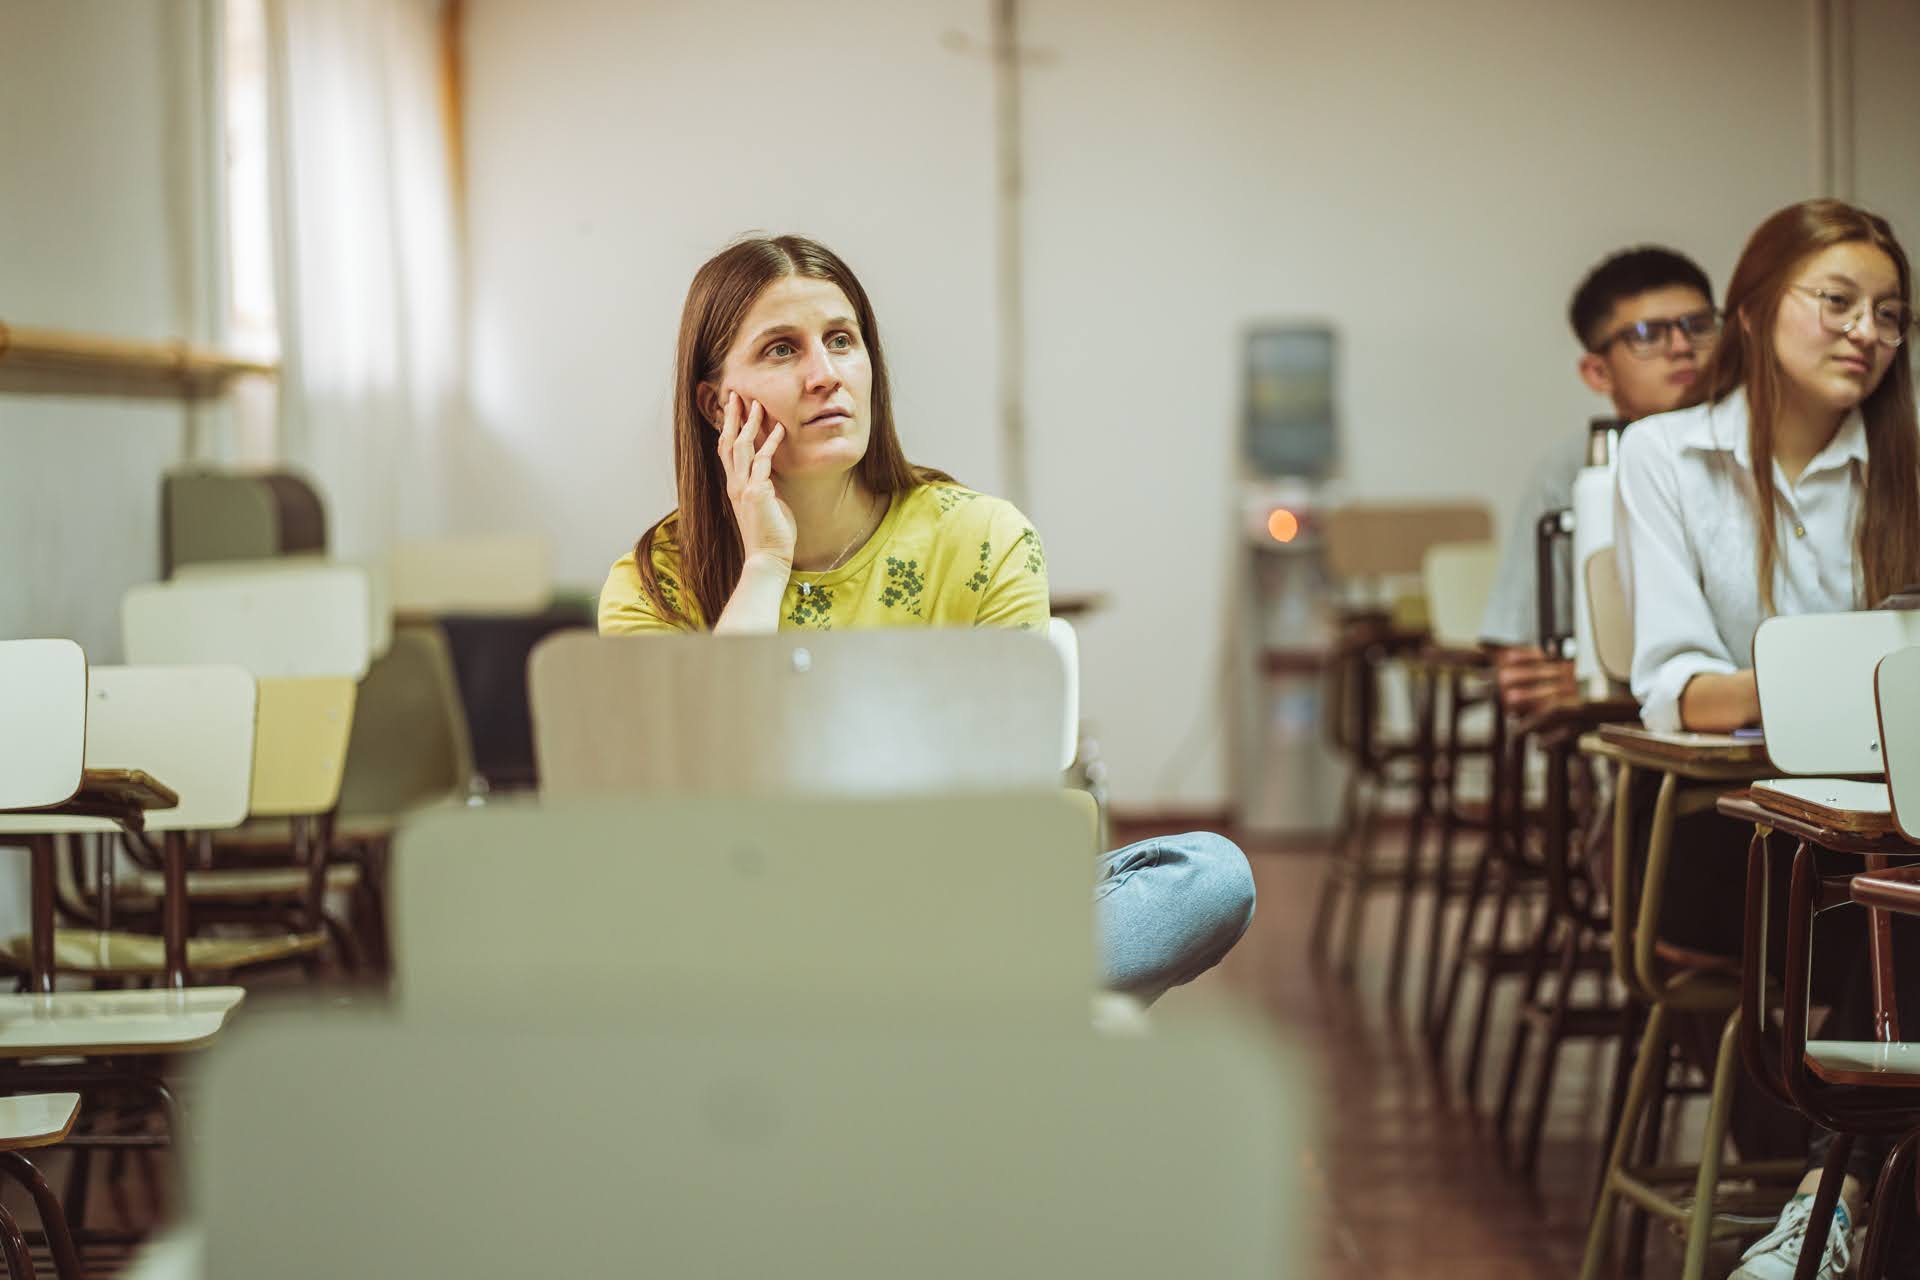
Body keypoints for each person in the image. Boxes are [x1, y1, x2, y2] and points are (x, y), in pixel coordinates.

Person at [598, 233, 1255, 1005]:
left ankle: (902, 1012)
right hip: (760, 928)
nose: (825, 375)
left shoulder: (980, 537)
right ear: (716, 402)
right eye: (782, 349)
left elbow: (1006, 810)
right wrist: (765, 564)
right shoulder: (651, 585)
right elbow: (695, 814)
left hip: (949, 912)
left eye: (842, 341)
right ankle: (950, 1016)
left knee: (1210, 877)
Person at [1613, 198, 1920, 1279]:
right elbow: (1677, 686)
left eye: (1890, 315)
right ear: (1752, 311)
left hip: (1878, 829)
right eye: (1836, 301)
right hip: (1720, 827)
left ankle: (1824, 1199)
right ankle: (1840, 1199)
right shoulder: (1662, 455)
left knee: (1900, 899)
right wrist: (1833, 680)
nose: (1865, 333)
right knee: (1878, 909)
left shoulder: (1904, 468)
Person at [1480, 247, 1719, 714]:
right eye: (1648, 334)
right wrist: (1594, 681)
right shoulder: (1570, 470)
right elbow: (1523, 661)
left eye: (1699, 325)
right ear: (1597, 371)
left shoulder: (1764, 445)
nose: (1681, 346)